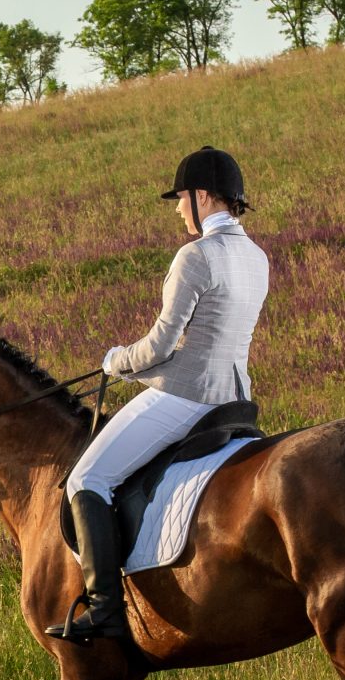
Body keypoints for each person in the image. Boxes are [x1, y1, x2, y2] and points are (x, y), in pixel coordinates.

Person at [45, 145, 270, 644]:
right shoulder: (257, 257)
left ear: (205, 197)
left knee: (88, 478)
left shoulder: (196, 256)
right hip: (235, 401)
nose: (176, 209)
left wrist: (116, 360)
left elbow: (162, 343)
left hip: (187, 399)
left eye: (181, 197)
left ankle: (104, 610)